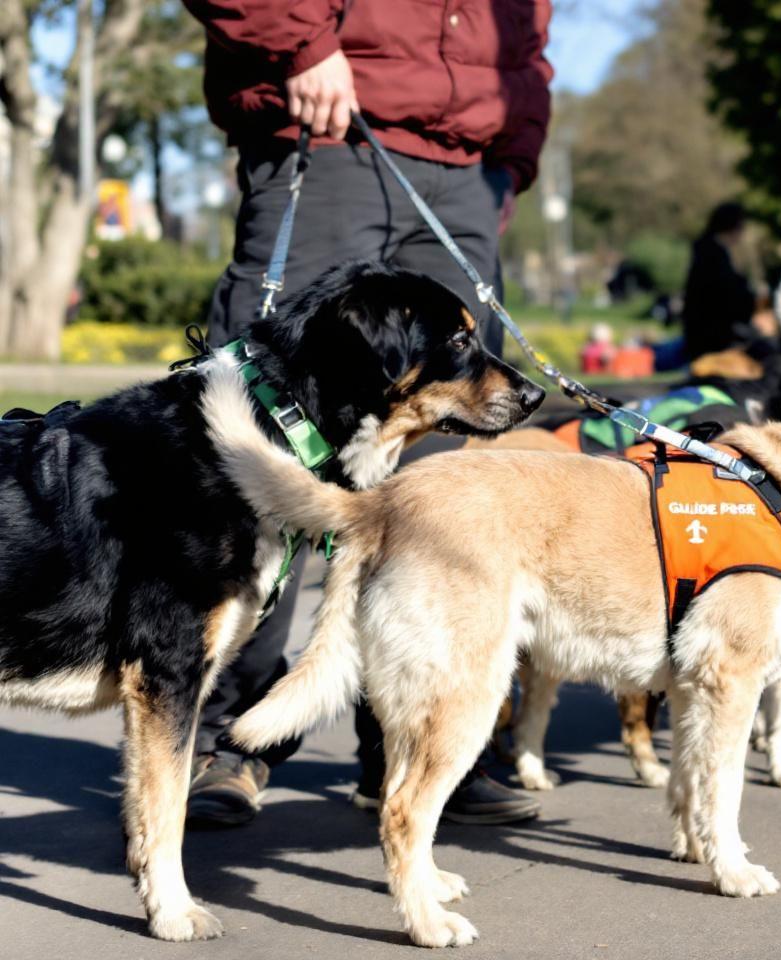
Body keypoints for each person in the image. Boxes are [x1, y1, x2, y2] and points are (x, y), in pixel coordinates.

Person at [181, 0, 552, 827]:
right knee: (264, 451)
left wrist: (512, 157)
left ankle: (417, 747)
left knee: (446, 485)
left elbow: (528, 38)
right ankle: (224, 740)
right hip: (331, 126)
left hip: (465, 168)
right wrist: (304, 44)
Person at [680, 202, 759, 362]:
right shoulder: (713, 256)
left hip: (707, 333)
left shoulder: (708, 251)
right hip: (713, 336)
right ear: (733, 227)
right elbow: (725, 296)